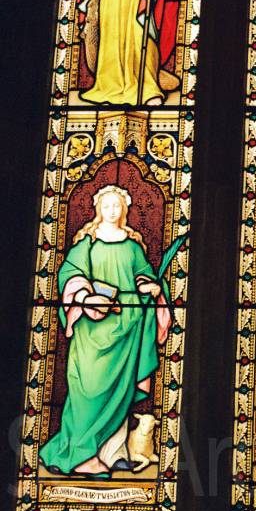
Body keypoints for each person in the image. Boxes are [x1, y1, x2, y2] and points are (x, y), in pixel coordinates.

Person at [40, 185, 171, 478]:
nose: (112, 211)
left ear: (124, 210)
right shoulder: (87, 243)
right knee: (86, 391)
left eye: (117, 206)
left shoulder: (132, 246)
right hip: (92, 328)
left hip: (127, 325)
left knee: (120, 393)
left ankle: (113, 454)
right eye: (107, 206)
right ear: (98, 209)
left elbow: (142, 274)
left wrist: (148, 286)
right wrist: (85, 298)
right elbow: (70, 275)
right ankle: (78, 453)